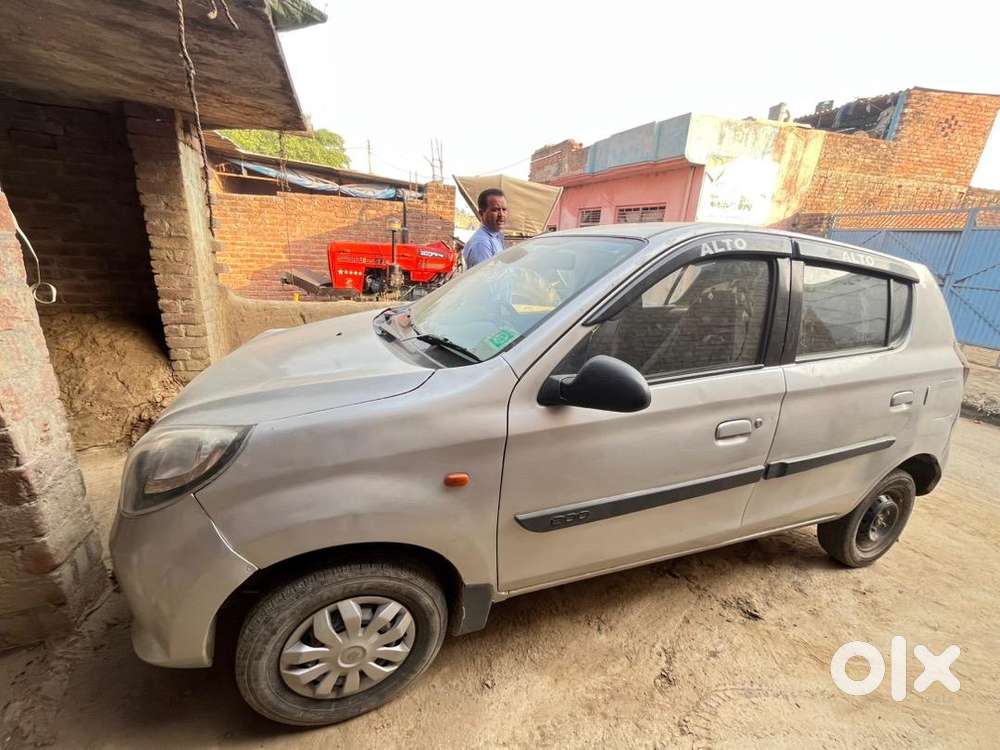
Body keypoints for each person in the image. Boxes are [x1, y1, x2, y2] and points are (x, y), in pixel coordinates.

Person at [463, 188, 508, 268]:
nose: (501, 215)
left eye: (504, 210)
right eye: (495, 210)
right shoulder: (481, 244)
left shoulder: (497, 236)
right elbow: (485, 278)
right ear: (481, 213)